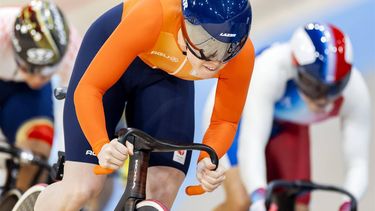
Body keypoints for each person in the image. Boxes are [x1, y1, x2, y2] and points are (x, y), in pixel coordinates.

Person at [35, 0, 255, 210]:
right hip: (116, 58)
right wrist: (101, 145)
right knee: (82, 188)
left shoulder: (240, 56)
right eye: (208, 44)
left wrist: (207, 160)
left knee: (163, 186)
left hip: (166, 77)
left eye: (229, 49)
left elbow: (225, 120)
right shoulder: (153, 15)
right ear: (187, 24)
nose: (215, 62)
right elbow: (89, 89)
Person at [203, 23, 371, 211]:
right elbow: (252, 144)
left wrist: (348, 204)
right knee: (242, 201)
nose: (323, 99)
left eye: (334, 89)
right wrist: (259, 197)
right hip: (237, 114)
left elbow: (358, 162)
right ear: (295, 66)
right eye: (314, 87)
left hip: (286, 123)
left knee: (297, 207)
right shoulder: (270, 70)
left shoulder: (355, 90)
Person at [0, 0, 80, 192]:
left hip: (25, 95)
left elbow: (78, 108)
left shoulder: (73, 50)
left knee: (38, 153)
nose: (36, 79)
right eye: (29, 69)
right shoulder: (2, 30)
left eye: (46, 73)